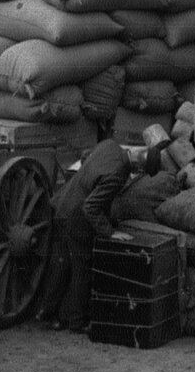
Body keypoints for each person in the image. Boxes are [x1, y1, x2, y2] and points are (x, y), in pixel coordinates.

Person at [37, 137, 131, 331]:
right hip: (77, 216)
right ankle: (77, 322)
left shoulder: (110, 145)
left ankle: (46, 312)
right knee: (82, 268)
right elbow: (91, 207)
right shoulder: (119, 173)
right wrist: (110, 232)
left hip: (63, 205)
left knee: (61, 265)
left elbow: (86, 155)